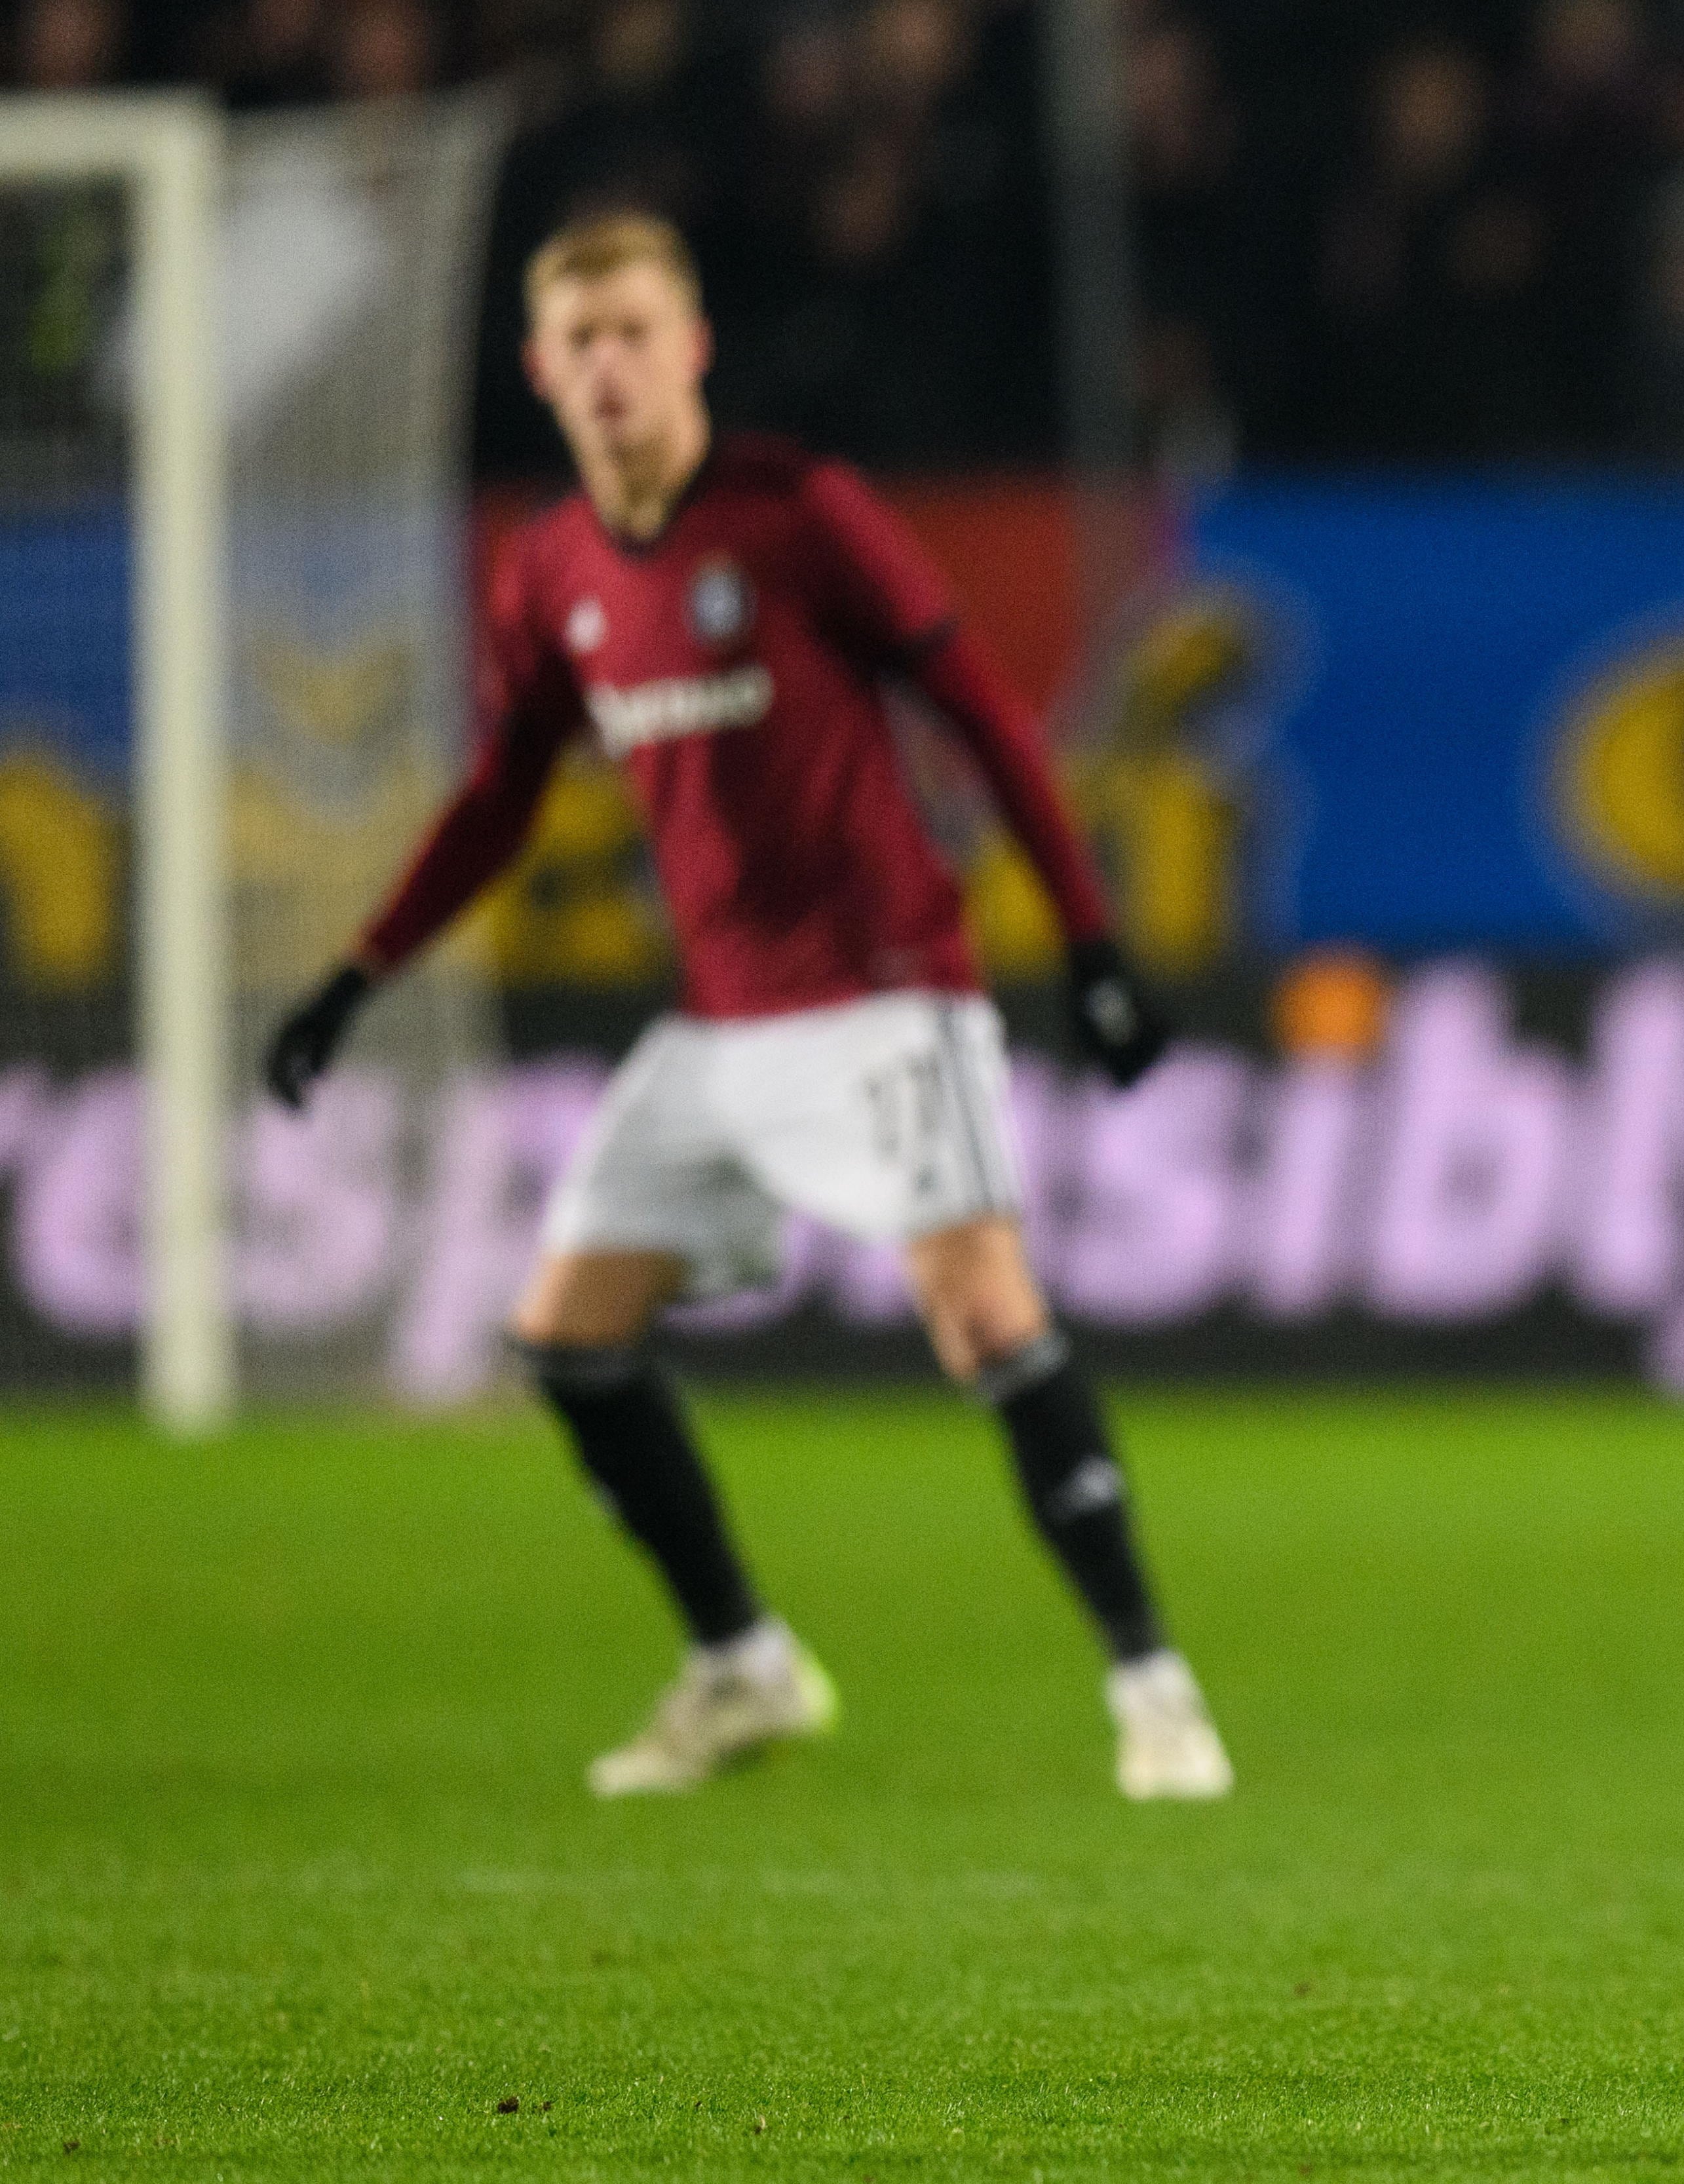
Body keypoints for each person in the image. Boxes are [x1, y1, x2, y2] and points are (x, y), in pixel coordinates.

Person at [261, 211, 1232, 1805]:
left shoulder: (796, 514)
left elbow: (975, 709)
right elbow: (502, 795)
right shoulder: (551, 570)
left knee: (982, 1309)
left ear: (692, 344)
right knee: (567, 1339)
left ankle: (1155, 1685)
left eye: (635, 330)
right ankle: (742, 1662)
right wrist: (357, 973)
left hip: (887, 994)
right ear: (539, 372)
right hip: (721, 1027)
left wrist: (1091, 939)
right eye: (579, 344)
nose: (609, 366)